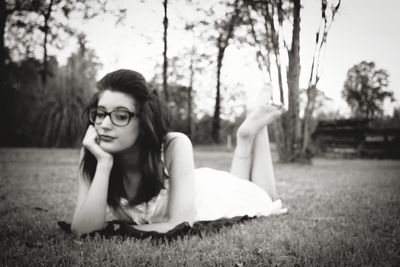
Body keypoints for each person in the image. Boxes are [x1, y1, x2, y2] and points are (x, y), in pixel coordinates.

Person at [71, 69, 286, 235]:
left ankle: (251, 132)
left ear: (145, 120)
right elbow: (82, 230)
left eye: (120, 116)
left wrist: (117, 231)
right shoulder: (95, 153)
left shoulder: (174, 144)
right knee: (240, 182)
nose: (104, 125)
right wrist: (104, 165)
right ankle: (246, 138)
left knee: (266, 197)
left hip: (212, 194)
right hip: (198, 183)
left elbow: (180, 224)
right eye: (100, 114)